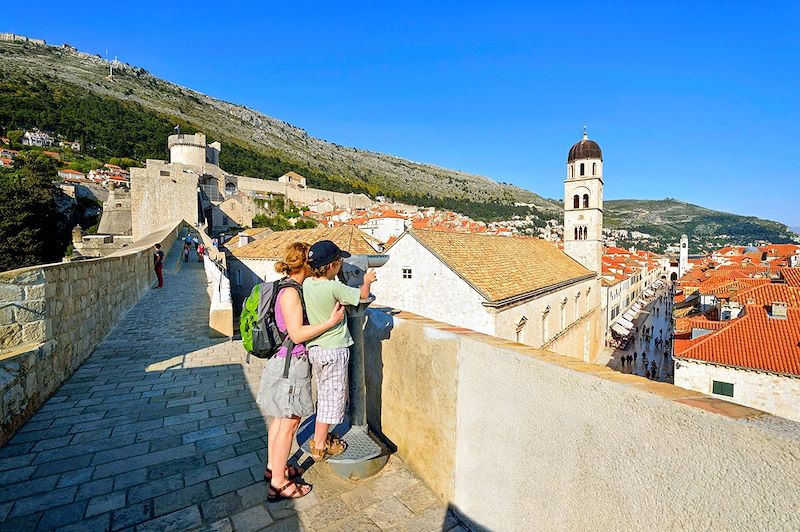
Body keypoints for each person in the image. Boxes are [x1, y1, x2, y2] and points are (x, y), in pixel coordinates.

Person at [258, 242, 345, 502]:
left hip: (280, 362)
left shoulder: (284, 285)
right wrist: (330, 323)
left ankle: (274, 468)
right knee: (289, 423)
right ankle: (279, 484)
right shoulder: (292, 293)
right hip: (290, 364)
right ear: (305, 264)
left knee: (278, 420)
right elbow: (296, 334)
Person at [303, 240, 377, 461]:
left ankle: (319, 436)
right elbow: (362, 297)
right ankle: (320, 445)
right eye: (339, 262)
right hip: (334, 349)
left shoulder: (308, 284)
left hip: (316, 349)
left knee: (324, 395)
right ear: (332, 266)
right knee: (331, 400)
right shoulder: (334, 287)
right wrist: (366, 280)